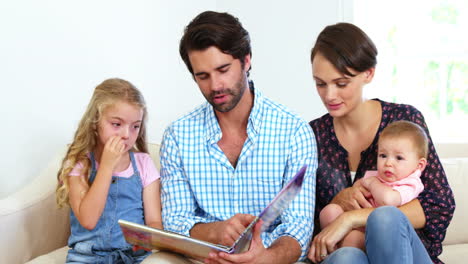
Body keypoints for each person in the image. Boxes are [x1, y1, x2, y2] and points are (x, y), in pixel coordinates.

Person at [144, 11, 317, 264]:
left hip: (270, 259)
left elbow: (298, 227)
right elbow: (175, 221)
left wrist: (264, 258)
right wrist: (216, 231)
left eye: (223, 69)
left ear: (246, 61)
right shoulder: (178, 136)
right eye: (202, 76)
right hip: (203, 257)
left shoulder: (294, 132)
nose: (215, 85)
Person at [307, 22, 455, 264]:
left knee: (385, 218)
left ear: (369, 73)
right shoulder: (312, 135)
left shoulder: (405, 120)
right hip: (348, 255)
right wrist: (337, 204)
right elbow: (303, 223)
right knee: (345, 258)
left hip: (407, 255)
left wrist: (353, 218)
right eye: (320, 84)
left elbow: (440, 205)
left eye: (341, 83)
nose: (329, 95)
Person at [56, 78, 162, 263]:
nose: (126, 135)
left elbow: (154, 221)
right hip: (87, 257)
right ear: (95, 122)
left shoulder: (144, 163)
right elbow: (89, 220)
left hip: (133, 256)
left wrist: (146, 241)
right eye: (116, 124)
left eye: (135, 126)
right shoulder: (79, 164)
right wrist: (106, 166)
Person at [319, 120, 428, 250]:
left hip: (378, 235)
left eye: (398, 158)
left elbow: (388, 201)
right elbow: (357, 188)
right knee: (329, 211)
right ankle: (332, 246)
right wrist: (357, 188)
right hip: (357, 223)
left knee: (353, 239)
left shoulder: (411, 183)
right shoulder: (376, 175)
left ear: (419, 165)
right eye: (383, 155)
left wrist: (372, 183)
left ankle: (341, 249)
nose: (388, 163)